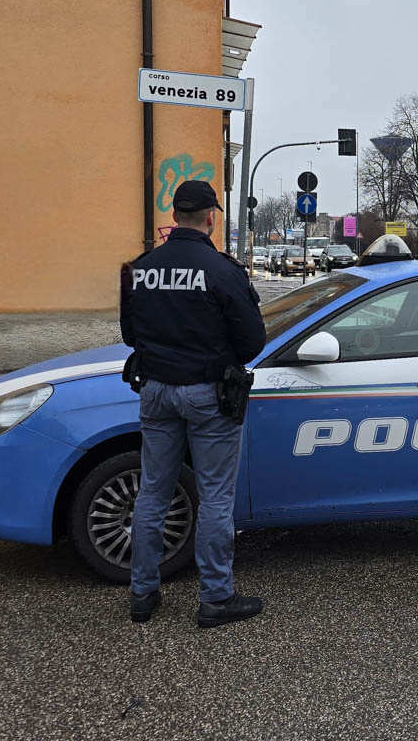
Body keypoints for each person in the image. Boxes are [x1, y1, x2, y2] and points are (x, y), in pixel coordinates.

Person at [119, 179, 266, 627]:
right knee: (216, 496)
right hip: (208, 394)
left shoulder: (140, 268)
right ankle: (216, 598)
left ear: (175, 215)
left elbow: (130, 337)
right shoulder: (222, 270)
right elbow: (252, 342)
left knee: (153, 494)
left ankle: (143, 593)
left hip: (156, 391)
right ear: (210, 217)